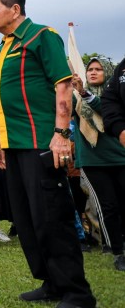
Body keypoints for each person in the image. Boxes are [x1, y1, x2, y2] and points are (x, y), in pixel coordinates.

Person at [0, 0, 96, 307]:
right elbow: (6, 101)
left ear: (15, 9)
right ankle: (51, 282)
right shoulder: (2, 48)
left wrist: (61, 132)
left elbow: (62, 85)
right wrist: (2, 143)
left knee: (53, 217)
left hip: (41, 143)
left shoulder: (41, 36)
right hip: (14, 146)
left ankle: (76, 292)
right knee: (28, 218)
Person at [72, 57, 125, 271]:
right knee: (107, 205)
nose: (93, 73)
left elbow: (107, 111)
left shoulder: (115, 94)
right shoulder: (76, 95)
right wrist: (78, 92)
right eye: (90, 69)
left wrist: (86, 94)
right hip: (93, 159)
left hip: (119, 155)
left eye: (98, 69)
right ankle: (117, 250)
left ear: (109, 72)